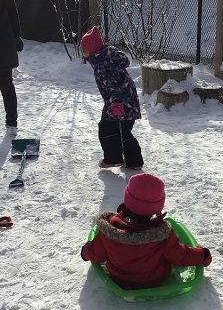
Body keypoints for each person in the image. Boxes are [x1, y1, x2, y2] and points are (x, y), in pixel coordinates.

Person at [81, 173, 212, 289]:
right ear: (157, 207)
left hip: (118, 280)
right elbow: (180, 256)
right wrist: (203, 255)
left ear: (127, 199)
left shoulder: (110, 229)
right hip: (154, 281)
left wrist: (85, 252)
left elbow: (96, 254)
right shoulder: (162, 234)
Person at [80, 25, 144, 170]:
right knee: (119, 130)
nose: (83, 53)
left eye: (84, 50)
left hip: (121, 104)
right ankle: (128, 160)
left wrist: (115, 104)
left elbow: (112, 86)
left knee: (109, 129)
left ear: (91, 49)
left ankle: (121, 160)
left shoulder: (102, 64)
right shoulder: (107, 57)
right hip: (126, 101)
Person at [0, 0, 23, 136]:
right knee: (7, 84)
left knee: (6, 84)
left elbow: (12, 9)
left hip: (3, 41)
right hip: (5, 40)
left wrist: (16, 35)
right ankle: (12, 124)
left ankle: (12, 124)